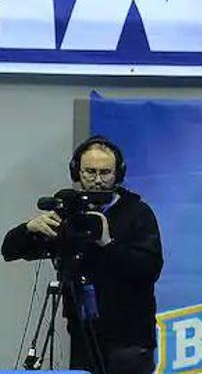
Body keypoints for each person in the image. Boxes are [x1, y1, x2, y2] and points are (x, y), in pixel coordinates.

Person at [1, 136, 163, 374]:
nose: (97, 180)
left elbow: (149, 268)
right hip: (82, 331)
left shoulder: (137, 213)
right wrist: (29, 229)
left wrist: (107, 243)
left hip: (129, 339)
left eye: (105, 172)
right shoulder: (69, 211)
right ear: (76, 172)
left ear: (118, 174)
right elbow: (9, 251)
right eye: (90, 172)